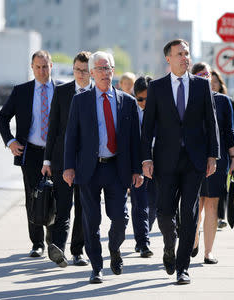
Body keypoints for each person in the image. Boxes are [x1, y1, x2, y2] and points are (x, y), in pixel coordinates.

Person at [141, 39, 220, 285]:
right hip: (165, 161)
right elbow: (148, 127)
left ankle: (182, 267)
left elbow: (211, 121)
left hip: (194, 161)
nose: (185, 57)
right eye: (179, 54)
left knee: (189, 213)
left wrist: (212, 155)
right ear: (169, 58)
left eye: (186, 53)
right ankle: (168, 247)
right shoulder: (157, 87)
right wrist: (146, 158)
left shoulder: (201, 86)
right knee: (164, 212)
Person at [63, 51, 143, 284]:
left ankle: (115, 248)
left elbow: (135, 140)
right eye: (100, 69)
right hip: (89, 170)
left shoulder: (127, 102)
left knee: (120, 218)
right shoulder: (80, 101)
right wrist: (68, 167)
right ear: (92, 73)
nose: (105, 73)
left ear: (113, 71)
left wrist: (136, 169)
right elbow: (71, 137)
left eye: (108, 68)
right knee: (91, 220)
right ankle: (96, 266)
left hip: (117, 169)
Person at [0, 50, 60, 258]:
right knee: (34, 197)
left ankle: (54, 240)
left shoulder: (63, 90)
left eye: (45, 66)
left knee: (56, 196)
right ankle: (37, 243)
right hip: (31, 152)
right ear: (32, 68)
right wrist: (10, 141)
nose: (42, 71)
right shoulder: (22, 91)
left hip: (57, 153)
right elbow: (2, 117)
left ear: (52, 66)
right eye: (38, 67)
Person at [41, 51, 92, 268]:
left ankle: (77, 252)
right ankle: (59, 248)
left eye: (85, 70)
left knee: (82, 208)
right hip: (62, 160)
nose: (81, 74)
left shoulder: (96, 93)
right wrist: (46, 161)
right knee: (63, 207)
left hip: (87, 162)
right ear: (73, 70)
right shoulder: (62, 92)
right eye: (78, 70)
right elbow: (52, 128)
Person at [191, 62, 234, 264]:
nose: (205, 77)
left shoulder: (223, 102)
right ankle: (193, 241)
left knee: (212, 204)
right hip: (193, 160)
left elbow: (230, 133)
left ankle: (208, 251)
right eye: (200, 74)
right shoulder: (188, 100)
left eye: (207, 74)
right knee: (195, 205)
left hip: (219, 160)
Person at [211, 69, 234, 229]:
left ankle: (220, 216)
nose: (212, 85)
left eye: (215, 82)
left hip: (224, 149)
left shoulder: (227, 102)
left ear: (220, 84)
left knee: (222, 185)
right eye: (210, 82)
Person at [130, 76, 156, 258]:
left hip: (158, 161)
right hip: (137, 161)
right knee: (139, 203)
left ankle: (145, 233)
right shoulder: (131, 111)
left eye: (148, 98)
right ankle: (143, 242)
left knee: (154, 204)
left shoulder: (161, 111)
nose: (144, 103)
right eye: (140, 99)